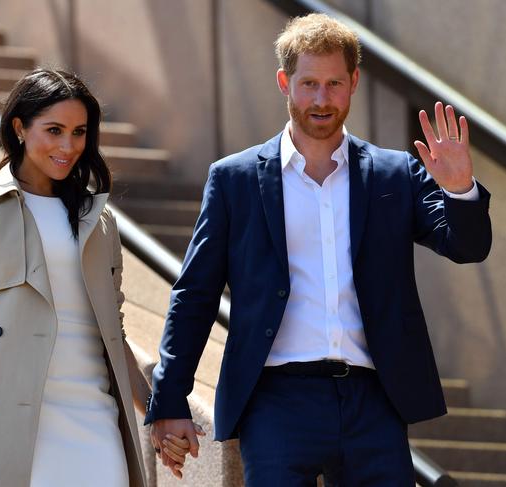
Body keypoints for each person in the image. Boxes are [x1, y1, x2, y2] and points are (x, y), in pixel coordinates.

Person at [146, 13, 492, 486]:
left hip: (375, 399)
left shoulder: (395, 174)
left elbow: (468, 246)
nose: (322, 99)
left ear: (353, 82)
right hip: (275, 400)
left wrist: (459, 190)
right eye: (308, 83)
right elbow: (195, 294)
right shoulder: (235, 180)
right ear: (284, 83)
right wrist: (169, 400)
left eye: (334, 83)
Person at [0, 69, 192, 487]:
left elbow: (112, 332)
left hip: (92, 418)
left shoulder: (98, 220)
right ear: (19, 128)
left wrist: (155, 412)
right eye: (54, 130)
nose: (68, 146)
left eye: (79, 132)